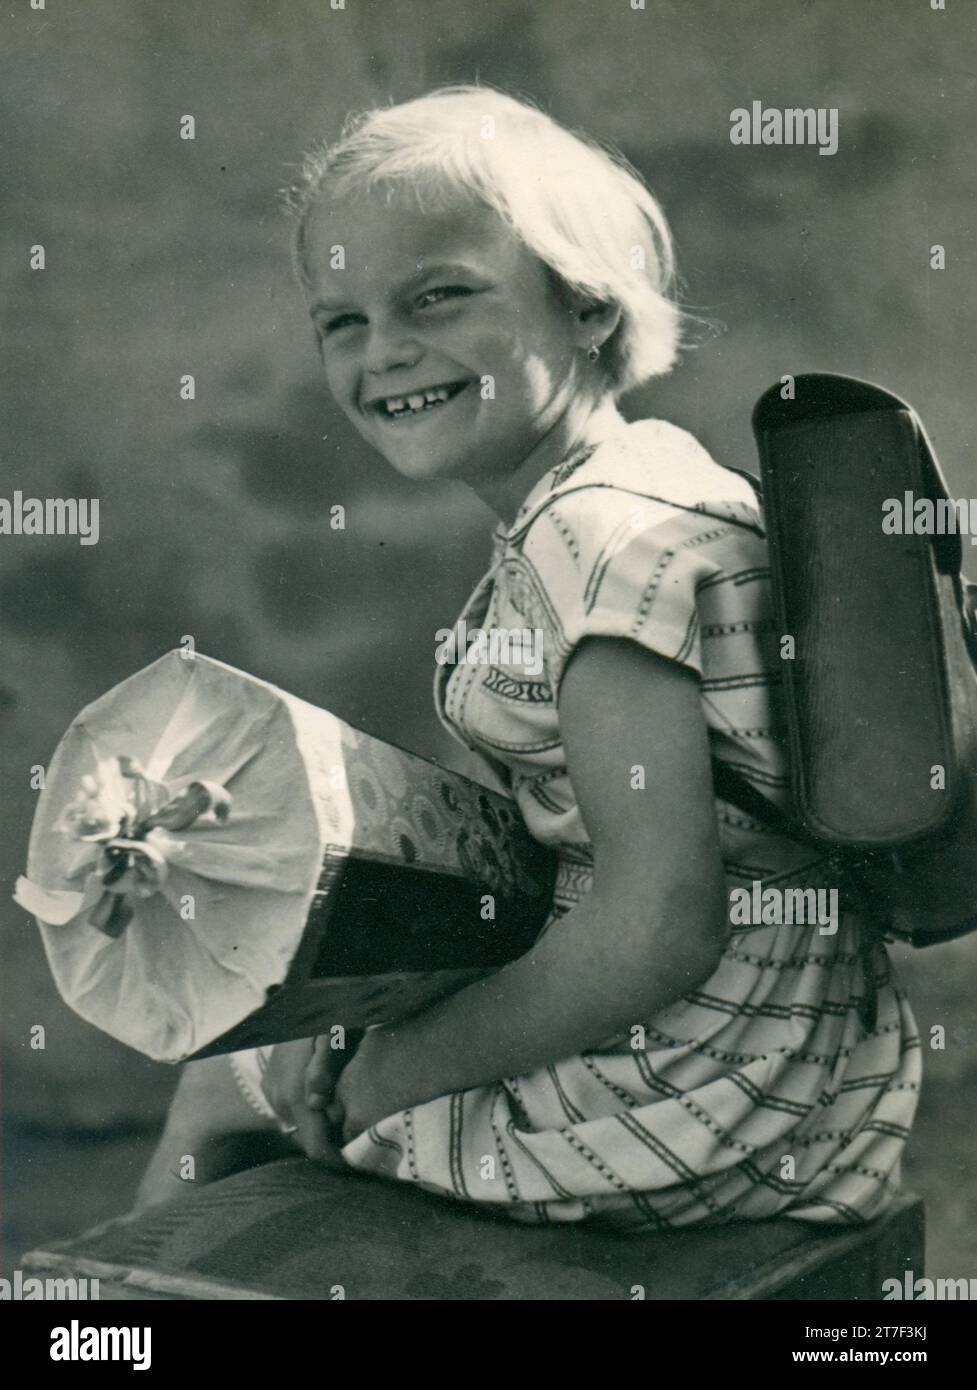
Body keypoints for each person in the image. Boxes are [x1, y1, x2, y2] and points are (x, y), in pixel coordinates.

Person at [136, 84, 920, 1229]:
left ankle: (89, 1335)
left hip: (686, 1087)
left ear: (589, 308)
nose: (384, 353)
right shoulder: (663, 477)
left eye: (437, 296)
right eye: (340, 320)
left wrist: (389, 1074)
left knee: (222, 1084)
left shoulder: (587, 540)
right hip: (799, 1052)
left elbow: (654, 923)